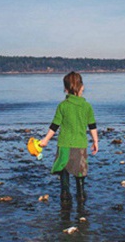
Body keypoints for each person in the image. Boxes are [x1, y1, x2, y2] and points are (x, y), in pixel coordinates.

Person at [38, 71, 99, 206]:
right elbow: (92, 126)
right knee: (80, 171)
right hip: (80, 144)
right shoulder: (87, 106)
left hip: (64, 144)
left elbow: (54, 125)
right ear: (82, 87)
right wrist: (95, 141)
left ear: (65, 89)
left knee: (64, 168)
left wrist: (46, 140)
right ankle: (81, 193)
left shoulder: (63, 106)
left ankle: (65, 193)